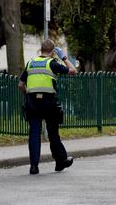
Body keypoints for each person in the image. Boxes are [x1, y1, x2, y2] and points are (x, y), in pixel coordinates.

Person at [18, 39, 77, 175]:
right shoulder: (52, 63)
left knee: (34, 133)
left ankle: (34, 166)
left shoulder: (30, 63)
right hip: (49, 104)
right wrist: (64, 57)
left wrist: (28, 94)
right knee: (53, 133)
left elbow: (20, 85)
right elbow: (73, 71)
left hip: (32, 104)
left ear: (41, 49)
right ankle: (60, 161)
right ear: (53, 51)